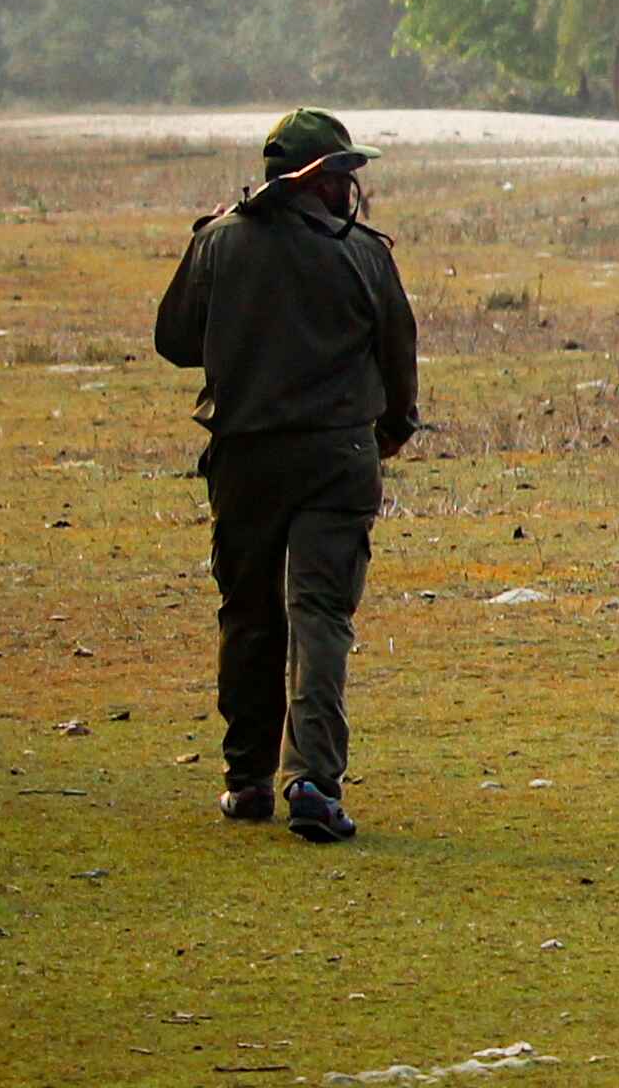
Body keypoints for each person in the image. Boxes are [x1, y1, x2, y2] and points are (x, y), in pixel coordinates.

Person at [153, 108, 419, 843]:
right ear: (320, 179)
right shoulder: (365, 255)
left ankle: (246, 779)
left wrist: (207, 239)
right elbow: (399, 350)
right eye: (342, 175)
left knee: (249, 616)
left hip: (246, 460)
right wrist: (395, 425)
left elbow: (173, 341)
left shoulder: (221, 244)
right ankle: (312, 778)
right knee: (320, 617)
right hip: (338, 456)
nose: (350, 190)